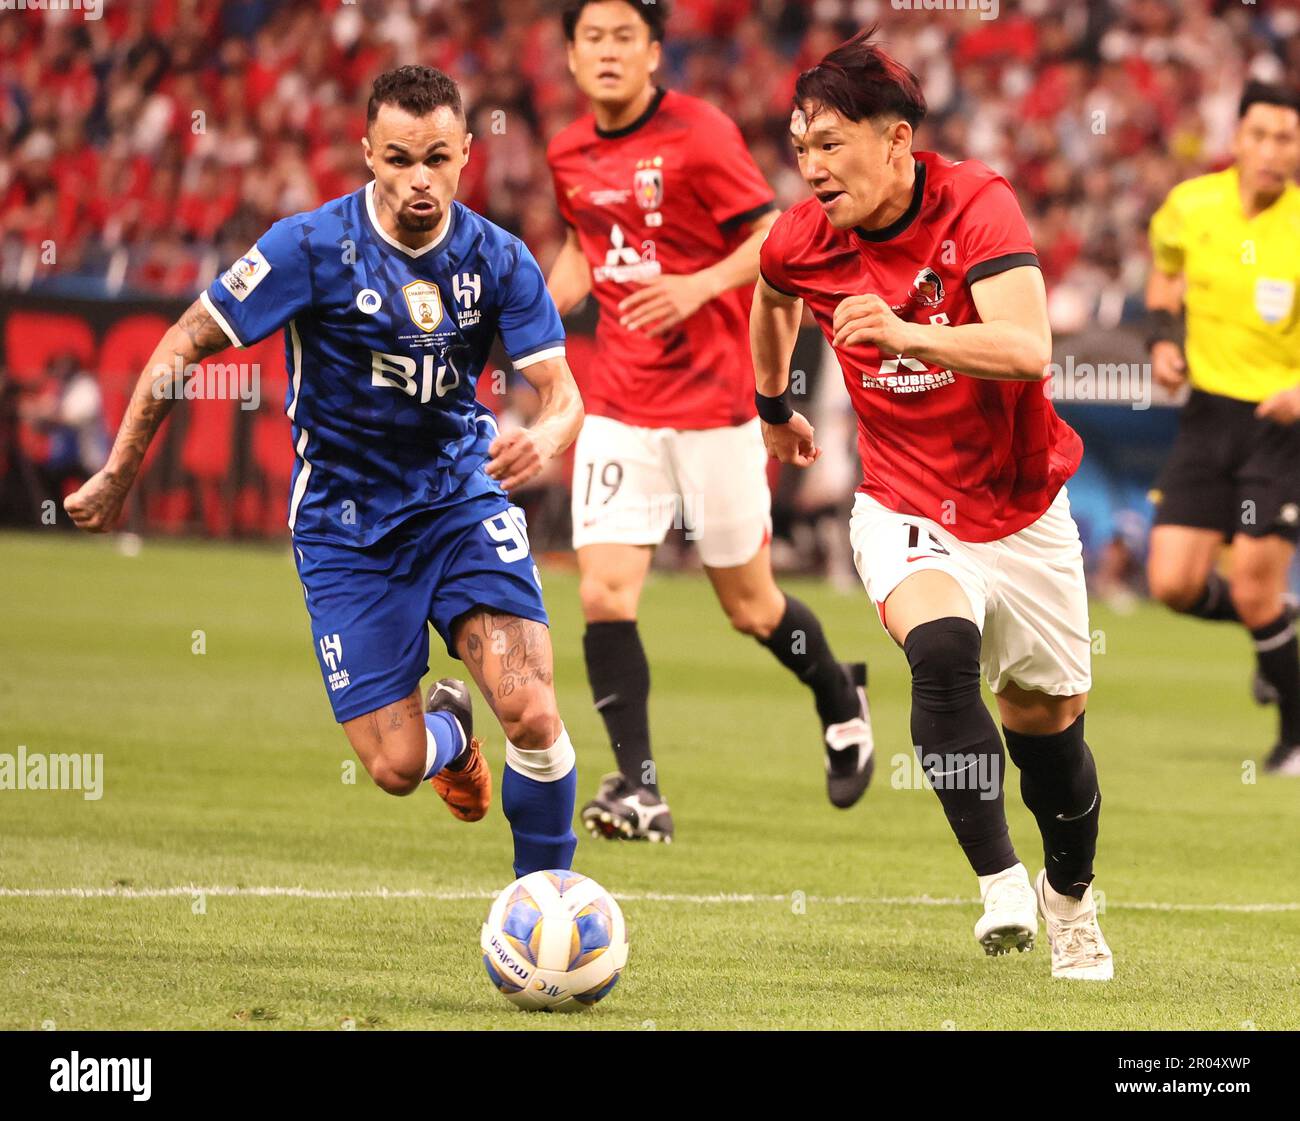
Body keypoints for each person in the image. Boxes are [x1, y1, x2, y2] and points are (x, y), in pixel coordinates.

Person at [65, 66, 586, 879]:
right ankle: (447, 734)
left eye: (440, 157)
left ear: (464, 157)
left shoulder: (500, 258)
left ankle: (548, 902)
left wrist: (546, 440)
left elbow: (562, 395)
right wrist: (119, 471)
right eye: (402, 157)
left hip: (458, 500)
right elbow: (185, 342)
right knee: (395, 765)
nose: (422, 177)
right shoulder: (309, 248)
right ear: (368, 154)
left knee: (530, 707)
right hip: (346, 527)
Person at [750, 30, 1111, 980]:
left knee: (1051, 731)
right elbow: (772, 287)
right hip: (905, 499)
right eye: (801, 147)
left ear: (899, 140)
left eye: (831, 144)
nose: (813, 168)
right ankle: (998, 878)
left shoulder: (978, 202)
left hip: (1023, 507)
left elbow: (1029, 346)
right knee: (941, 652)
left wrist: (910, 332)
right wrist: (772, 405)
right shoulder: (806, 234)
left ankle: (1068, 898)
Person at [546, 0, 874, 844]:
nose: (610, 51)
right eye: (594, 38)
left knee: (751, 606)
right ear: (573, 56)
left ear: (655, 53)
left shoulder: (700, 134)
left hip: (718, 404)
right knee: (604, 592)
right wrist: (543, 311)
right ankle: (638, 785)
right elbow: (588, 242)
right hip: (620, 402)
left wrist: (693, 286)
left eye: (627, 37)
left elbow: (772, 236)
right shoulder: (567, 150)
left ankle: (839, 691)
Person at [1144, 81, 1300, 777]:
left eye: (1286, 139)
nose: (1272, 150)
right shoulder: (1189, 206)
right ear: (1236, 139)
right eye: (1260, 135)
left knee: (1254, 590)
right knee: (1173, 582)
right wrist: (1161, 341)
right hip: (1208, 417)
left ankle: (1295, 739)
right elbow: (1164, 275)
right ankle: (1277, 630)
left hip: (1280, 423)